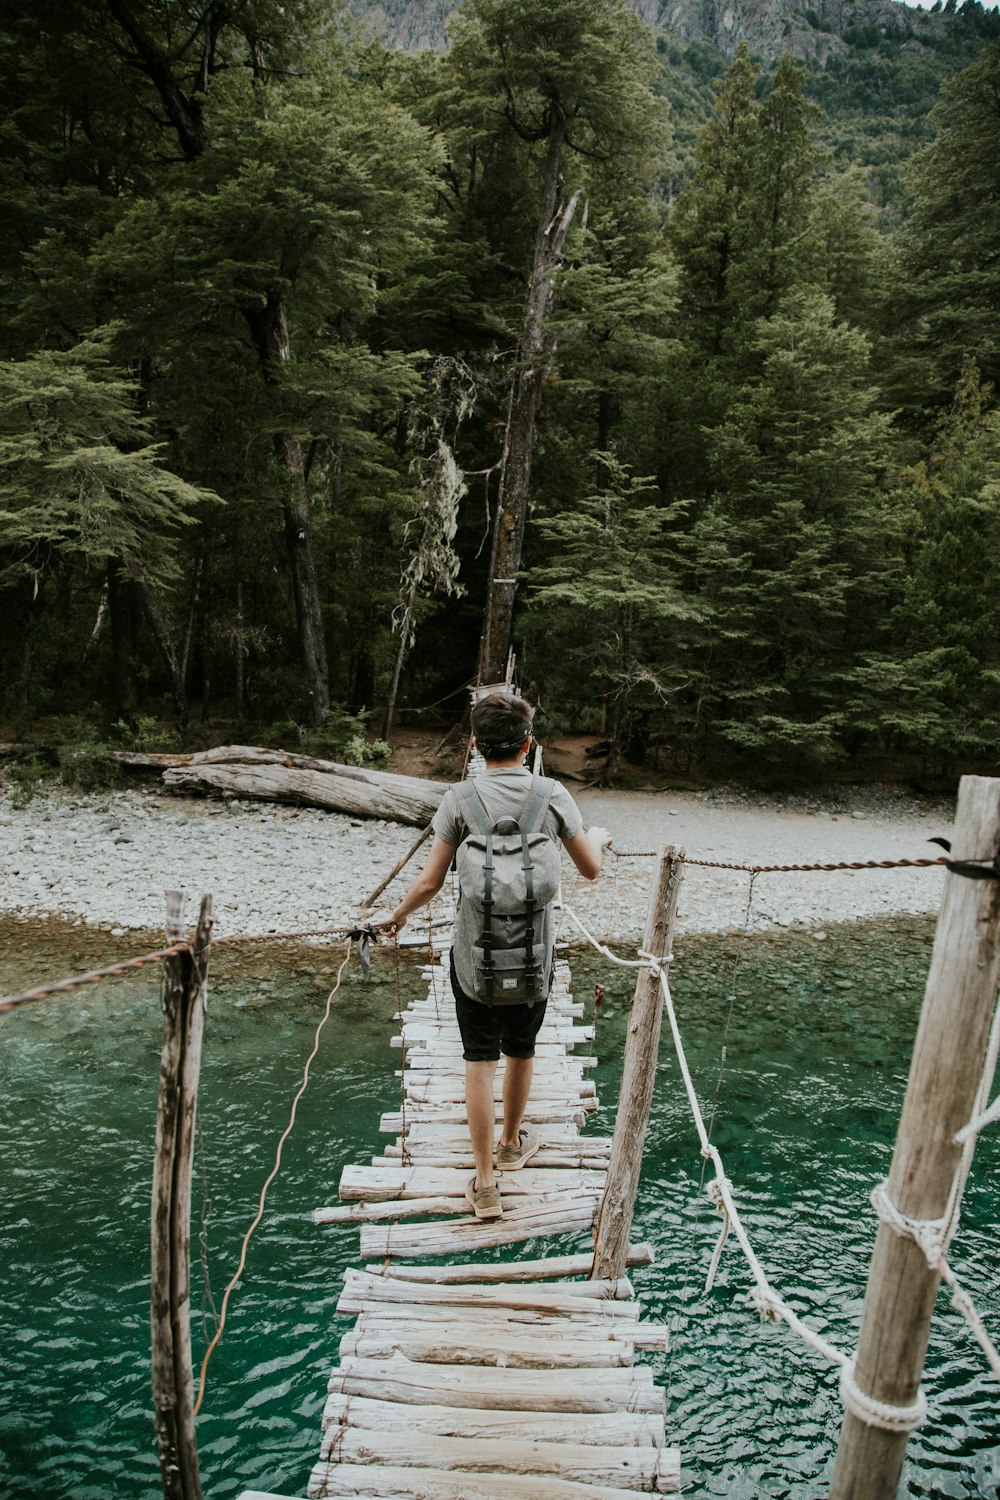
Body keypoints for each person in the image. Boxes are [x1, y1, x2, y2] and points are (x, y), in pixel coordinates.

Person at [371, 694, 610, 1219]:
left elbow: (432, 881)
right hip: (532, 957)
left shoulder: (459, 799)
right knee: (521, 1049)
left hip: (472, 960)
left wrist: (398, 914)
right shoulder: (552, 794)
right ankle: (510, 1145)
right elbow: (591, 870)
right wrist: (596, 837)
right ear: (530, 744)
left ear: (475, 746)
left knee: (478, 1059)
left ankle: (483, 1183)